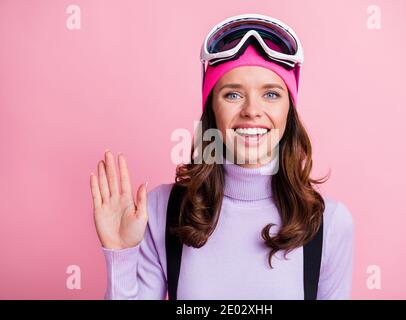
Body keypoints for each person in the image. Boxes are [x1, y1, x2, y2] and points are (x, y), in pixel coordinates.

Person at [89, 13, 354, 300]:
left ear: (289, 111)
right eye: (233, 95)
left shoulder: (330, 222)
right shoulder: (160, 210)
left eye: (272, 94)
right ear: (212, 110)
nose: (252, 110)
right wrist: (121, 255)